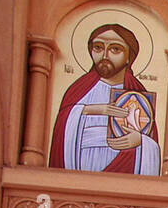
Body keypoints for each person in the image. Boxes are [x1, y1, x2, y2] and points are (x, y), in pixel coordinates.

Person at [49, 23, 160, 175]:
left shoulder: (137, 94)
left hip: (123, 172)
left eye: (115, 49)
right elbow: (62, 127)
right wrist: (91, 110)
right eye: (98, 48)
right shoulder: (79, 90)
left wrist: (140, 141)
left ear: (129, 57)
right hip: (80, 168)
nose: (105, 56)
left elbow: (150, 138)